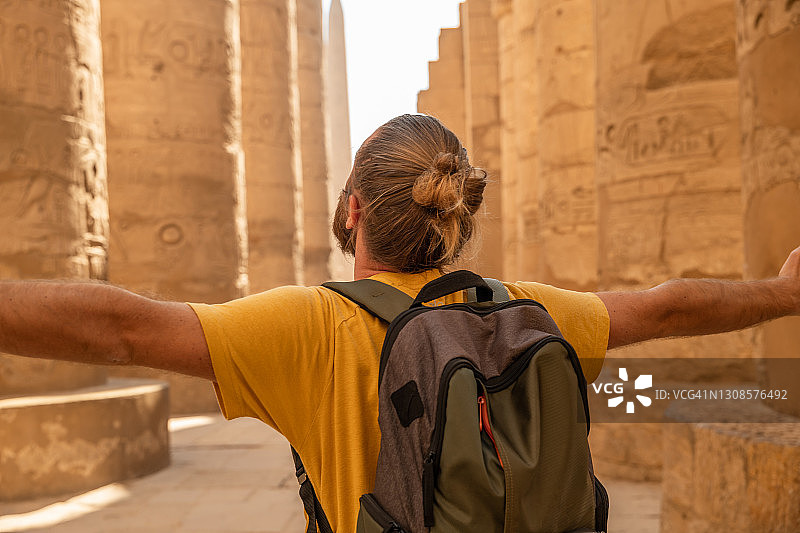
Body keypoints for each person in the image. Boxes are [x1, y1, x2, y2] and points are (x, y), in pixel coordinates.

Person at [0, 114, 798, 532]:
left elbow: (119, 329)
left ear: (355, 211)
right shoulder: (529, 310)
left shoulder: (307, 328)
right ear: (461, 213)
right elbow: (667, 306)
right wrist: (782, 291)